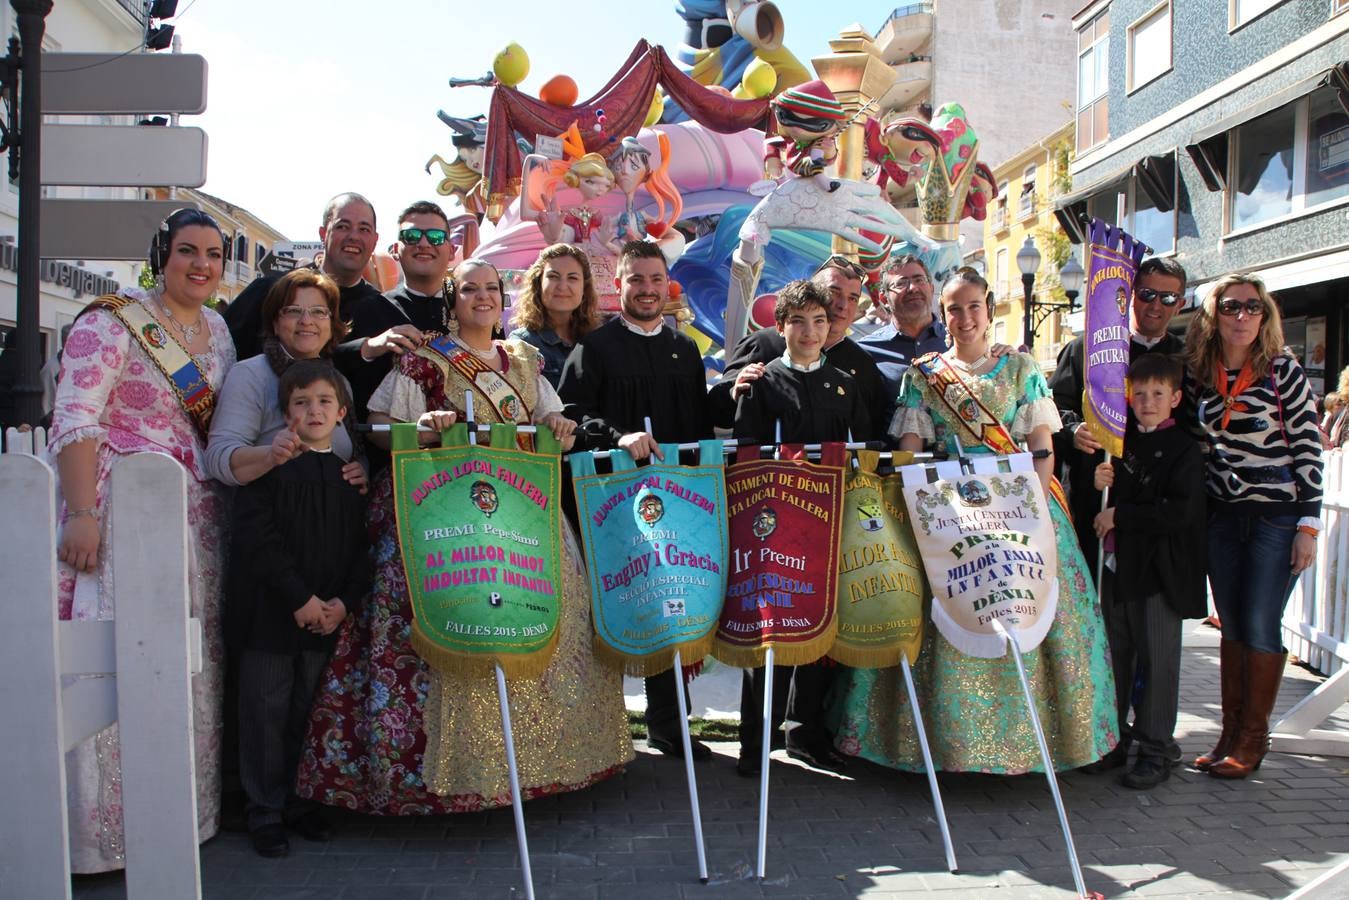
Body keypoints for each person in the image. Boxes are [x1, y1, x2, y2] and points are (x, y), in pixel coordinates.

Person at [296, 258, 632, 814]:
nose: (481, 297)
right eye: (469, 289)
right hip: (441, 522)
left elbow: (553, 424)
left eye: (491, 288)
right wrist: (416, 431)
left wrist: (559, 426)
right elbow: (377, 427)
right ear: (451, 300)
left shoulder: (525, 360)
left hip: (522, 518)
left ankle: (544, 766)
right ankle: (445, 779)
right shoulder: (426, 363)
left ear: (504, 298)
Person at [831, 268, 1117, 774]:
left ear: (989, 308)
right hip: (949, 513)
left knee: (1030, 612)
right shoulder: (924, 375)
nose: (965, 318)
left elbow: (1042, 449)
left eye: (974, 306)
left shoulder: (1020, 367)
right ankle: (939, 746)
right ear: (944, 314)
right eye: (955, 309)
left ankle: (1044, 746)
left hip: (1017, 512)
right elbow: (910, 452)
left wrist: (1031, 509)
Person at [48, 208, 235, 872]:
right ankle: (102, 840)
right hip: (124, 517)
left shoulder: (216, 328)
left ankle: (180, 818)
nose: (201, 265)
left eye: (213, 254)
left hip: (196, 527)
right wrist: (80, 512)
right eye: (188, 251)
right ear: (162, 255)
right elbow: (75, 414)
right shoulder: (112, 321)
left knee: (182, 670)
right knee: (117, 662)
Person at [559, 240, 715, 760]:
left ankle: (670, 725)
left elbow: (696, 423)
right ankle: (599, 732)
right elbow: (571, 417)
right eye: (636, 280)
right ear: (619, 285)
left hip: (677, 501)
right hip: (615, 504)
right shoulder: (596, 348)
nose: (647, 290)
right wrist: (615, 435)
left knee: (672, 601)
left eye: (655, 280)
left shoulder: (685, 348)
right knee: (624, 606)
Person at [228, 360, 370, 857]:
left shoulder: (349, 479)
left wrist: (341, 605)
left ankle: (300, 803)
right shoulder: (270, 471)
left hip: (325, 620)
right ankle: (264, 811)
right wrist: (299, 598)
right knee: (264, 715)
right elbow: (257, 541)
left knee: (308, 715)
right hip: (273, 617)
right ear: (285, 413)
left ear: (341, 412)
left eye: (324, 401)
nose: (313, 410)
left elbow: (359, 551)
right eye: (301, 402)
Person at [1184, 274, 1323, 779]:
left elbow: (1308, 446)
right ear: (1213, 315)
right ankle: (1228, 731)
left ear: (1264, 316)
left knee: (1262, 623)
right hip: (1223, 517)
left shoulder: (1281, 369)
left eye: (1252, 308)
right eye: (1230, 307)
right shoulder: (1201, 372)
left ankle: (1253, 738)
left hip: (1277, 516)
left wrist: (1308, 524)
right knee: (1232, 625)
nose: (1241, 316)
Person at [732, 279, 870, 777]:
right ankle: (755, 744)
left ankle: (805, 734)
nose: (810, 332)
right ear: (780, 326)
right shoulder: (760, 382)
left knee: (818, 629)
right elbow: (746, 457)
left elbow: (859, 452)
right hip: (775, 524)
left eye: (818, 321)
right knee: (770, 632)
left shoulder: (845, 383)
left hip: (829, 523)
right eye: (798, 322)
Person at [1088, 354, 1207, 789]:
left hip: (1158, 573)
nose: (1148, 402)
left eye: (1158, 394)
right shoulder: (1120, 443)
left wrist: (1122, 515)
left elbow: (1179, 513)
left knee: (1158, 662)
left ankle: (1157, 748)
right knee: (1117, 656)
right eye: (1139, 394)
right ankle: (1116, 740)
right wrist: (1099, 480)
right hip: (1120, 567)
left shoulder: (1185, 450)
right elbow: (1105, 502)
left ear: (1175, 398)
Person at [1049, 257, 1188, 579]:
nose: (1156, 305)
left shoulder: (1187, 357)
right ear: (1131, 295)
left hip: (1153, 500)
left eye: (1168, 298)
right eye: (1147, 294)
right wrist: (1072, 429)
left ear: (1180, 304)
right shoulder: (1087, 348)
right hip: (1096, 491)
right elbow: (1053, 403)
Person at [205, 268, 364, 488]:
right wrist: (270, 456)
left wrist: (360, 469)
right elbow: (217, 457)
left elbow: (352, 451)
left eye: (319, 311)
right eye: (293, 310)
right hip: (270, 516)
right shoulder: (250, 375)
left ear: (331, 323)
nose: (306, 320)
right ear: (275, 324)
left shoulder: (339, 383)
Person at [710, 254, 887, 432]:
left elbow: (871, 436)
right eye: (834, 292)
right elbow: (716, 412)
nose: (843, 305)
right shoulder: (762, 345)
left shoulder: (862, 363)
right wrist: (734, 393)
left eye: (853, 298)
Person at [339, 200, 457, 455]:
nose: (424, 244)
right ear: (395, 249)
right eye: (412, 235)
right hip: (387, 461)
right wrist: (369, 347)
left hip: (466, 459)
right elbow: (330, 365)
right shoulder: (368, 308)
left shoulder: (471, 309)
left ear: (452, 249)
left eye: (436, 237)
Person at [224, 192, 384, 365]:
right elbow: (222, 353)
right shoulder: (270, 290)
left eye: (364, 229)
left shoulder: (381, 310)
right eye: (343, 226)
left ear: (375, 240)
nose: (353, 236)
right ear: (323, 234)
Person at [855, 255, 948, 425]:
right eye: (900, 283)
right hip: (893, 451)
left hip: (956, 451)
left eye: (919, 280)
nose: (912, 288)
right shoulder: (864, 351)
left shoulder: (956, 342)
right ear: (884, 299)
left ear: (931, 288)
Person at [508, 243, 601, 388]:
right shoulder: (523, 343)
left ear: (585, 288)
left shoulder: (597, 338)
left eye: (572, 278)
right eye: (553, 276)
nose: (562, 286)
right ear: (538, 284)